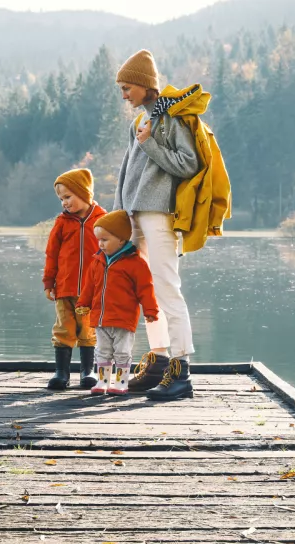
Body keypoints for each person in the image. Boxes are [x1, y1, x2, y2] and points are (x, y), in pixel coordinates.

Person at [113, 49, 200, 401]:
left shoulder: (170, 121)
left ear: (145, 85)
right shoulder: (140, 122)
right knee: (144, 292)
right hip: (133, 214)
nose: (123, 94)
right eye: (120, 88)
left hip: (160, 215)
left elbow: (188, 164)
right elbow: (126, 172)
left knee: (167, 289)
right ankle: (159, 362)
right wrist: (118, 213)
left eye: (127, 87)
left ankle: (182, 371)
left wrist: (151, 147)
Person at [77, 210, 158, 395]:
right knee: (102, 351)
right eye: (99, 240)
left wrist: (150, 309)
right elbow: (89, 286)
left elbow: (145, 288)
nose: (100, 244)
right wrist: (83, 302)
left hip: (123, 319)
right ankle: (102, 382)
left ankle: (121, 382)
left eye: (105, 239)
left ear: (121, 240)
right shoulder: (97, 261)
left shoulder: (135, 263)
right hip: (101, 317)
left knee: (122, 353)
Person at [43, 168, 106, 390]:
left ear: (84, 193)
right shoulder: (61, 223)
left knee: (88, 330)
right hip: (64, 289)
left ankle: (87, 371)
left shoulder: (102, 221)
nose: (64, 203)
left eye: (68, 197)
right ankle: (61, 373)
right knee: (64, 328)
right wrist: (49, 282)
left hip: (92, 291)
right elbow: (52, 254)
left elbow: (111, 256)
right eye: (61, 199)